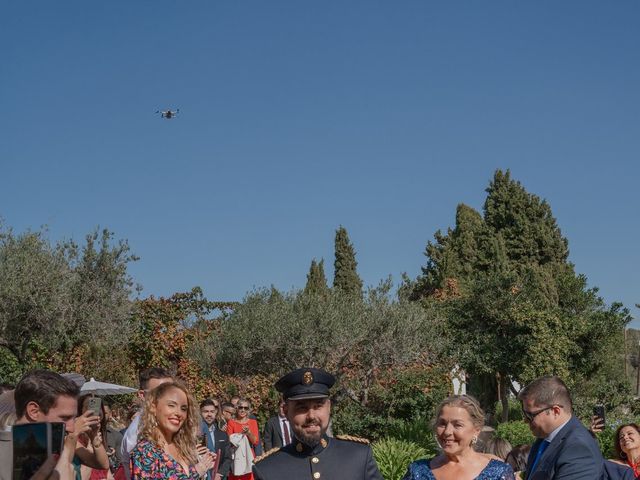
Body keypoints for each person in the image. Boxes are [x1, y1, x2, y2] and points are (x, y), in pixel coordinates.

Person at [253, 367, 383, 480]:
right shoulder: (267, 470)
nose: (311, 416)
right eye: (301, 407)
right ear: (286, 411)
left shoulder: (359, 456)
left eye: (318, 406)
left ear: (329, 408)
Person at [1, 369, 99, 480]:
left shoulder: (53, 449)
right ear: (34, 411)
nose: (72, 428)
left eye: (74, 418)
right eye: (65, 418)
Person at [403, 395, 514, 480]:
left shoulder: (498, 472)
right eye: (442, 423)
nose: (447, 432)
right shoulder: (417, 470)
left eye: (457, 425)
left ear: (476, 430)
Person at [518, 375, 603, 480]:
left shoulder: (578, 449)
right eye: (524, 414)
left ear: (555, 411)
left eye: (530, 415)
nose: (525, 420)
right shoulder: (544, 438)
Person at [130, 381, 216, 479]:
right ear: (154, 408)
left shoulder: (183, 446)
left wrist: (203, 466)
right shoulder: (145, 451)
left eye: (183, 409)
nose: (178, 413)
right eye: (171, 405)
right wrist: (198, 471)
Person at [120, 367, 173, 479]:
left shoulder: (165, 423)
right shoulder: (138, 433)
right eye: (159, 393)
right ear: (142, 395)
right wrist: (198, 469)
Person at [72, 394, 110, 479]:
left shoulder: (98, 435)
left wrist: (94, 440)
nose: (94, 411)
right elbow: (83, 476)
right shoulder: (72, 438)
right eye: (89, 407)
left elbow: (105, 466)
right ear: (80, 411)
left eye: (98, 407)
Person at [227, 398, 260, 480]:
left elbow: (255, 442)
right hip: (236, 457)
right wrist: (241, 435)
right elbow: (229, 441)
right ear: (237, 408)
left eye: (246, 408)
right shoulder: (231, 422)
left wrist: (248, 433)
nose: (243, 410)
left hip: (249, 456)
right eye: (240, 407)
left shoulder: (253, 422)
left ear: (248, 410)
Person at [200, 398, 232, 480]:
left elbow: (227, 458)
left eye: (212, 411)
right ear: (200, 413)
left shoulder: (223, 435)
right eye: (206, 411)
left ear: (215, 413)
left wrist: (219, 474)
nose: (209, 414)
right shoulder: (194, 434)